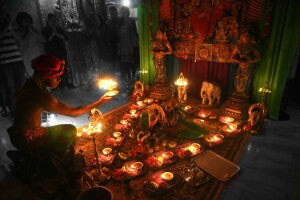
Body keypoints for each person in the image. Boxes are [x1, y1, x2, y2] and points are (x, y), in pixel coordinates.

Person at [9, 54, 112, 157]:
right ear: (45, 77)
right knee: (69, 130)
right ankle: (41, 157)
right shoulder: (40, 95)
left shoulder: (29, 84)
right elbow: (74, 112)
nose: (59, 80)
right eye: (56, 76)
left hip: (16, 134)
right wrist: (100, 102)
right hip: (26, 139)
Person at [0, 13, 26, 117]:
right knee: (11, 88)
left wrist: (10, 28)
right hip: (5, 63)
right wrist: (7, 28)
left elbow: (20, 40)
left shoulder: (12, 26)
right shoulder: (6, 26)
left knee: (21, 87)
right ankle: (15, 112)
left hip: (18, 60)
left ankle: (24, 109)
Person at [42, 13, 70, 88]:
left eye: (55, 20)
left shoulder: (59, 29)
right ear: (48, 21)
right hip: (52, 52)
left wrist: (56, 33)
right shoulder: (45, 30)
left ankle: (65, 84)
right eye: (52, 20)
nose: (54, 22)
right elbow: (47, 40)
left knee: (63, 68)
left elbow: (66, 38)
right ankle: (56, 85)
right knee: (54, 69)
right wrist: (53, 33)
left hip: (61, 51)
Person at [14, 12, 46, 77]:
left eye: (28, 20)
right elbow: (21, 43)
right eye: (25, 21)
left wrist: (32, 30)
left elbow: (44, 40)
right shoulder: (18, 31)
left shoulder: (34, 29)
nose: (27, 23)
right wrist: (29, 32)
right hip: (26, 57)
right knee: (30, 76)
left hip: (36, 55)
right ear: (20, 22)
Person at [118, 6, 138, 83]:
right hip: (122, 45)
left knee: (131, 61)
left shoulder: (131, 21)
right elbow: (118, 34)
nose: (125, 13)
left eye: (126, 11)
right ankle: (126, 77)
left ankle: (132, 77)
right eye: (123, 12)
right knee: (124, 62)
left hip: (130, 44)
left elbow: (134, 33)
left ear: (128, 13)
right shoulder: (119, 22)